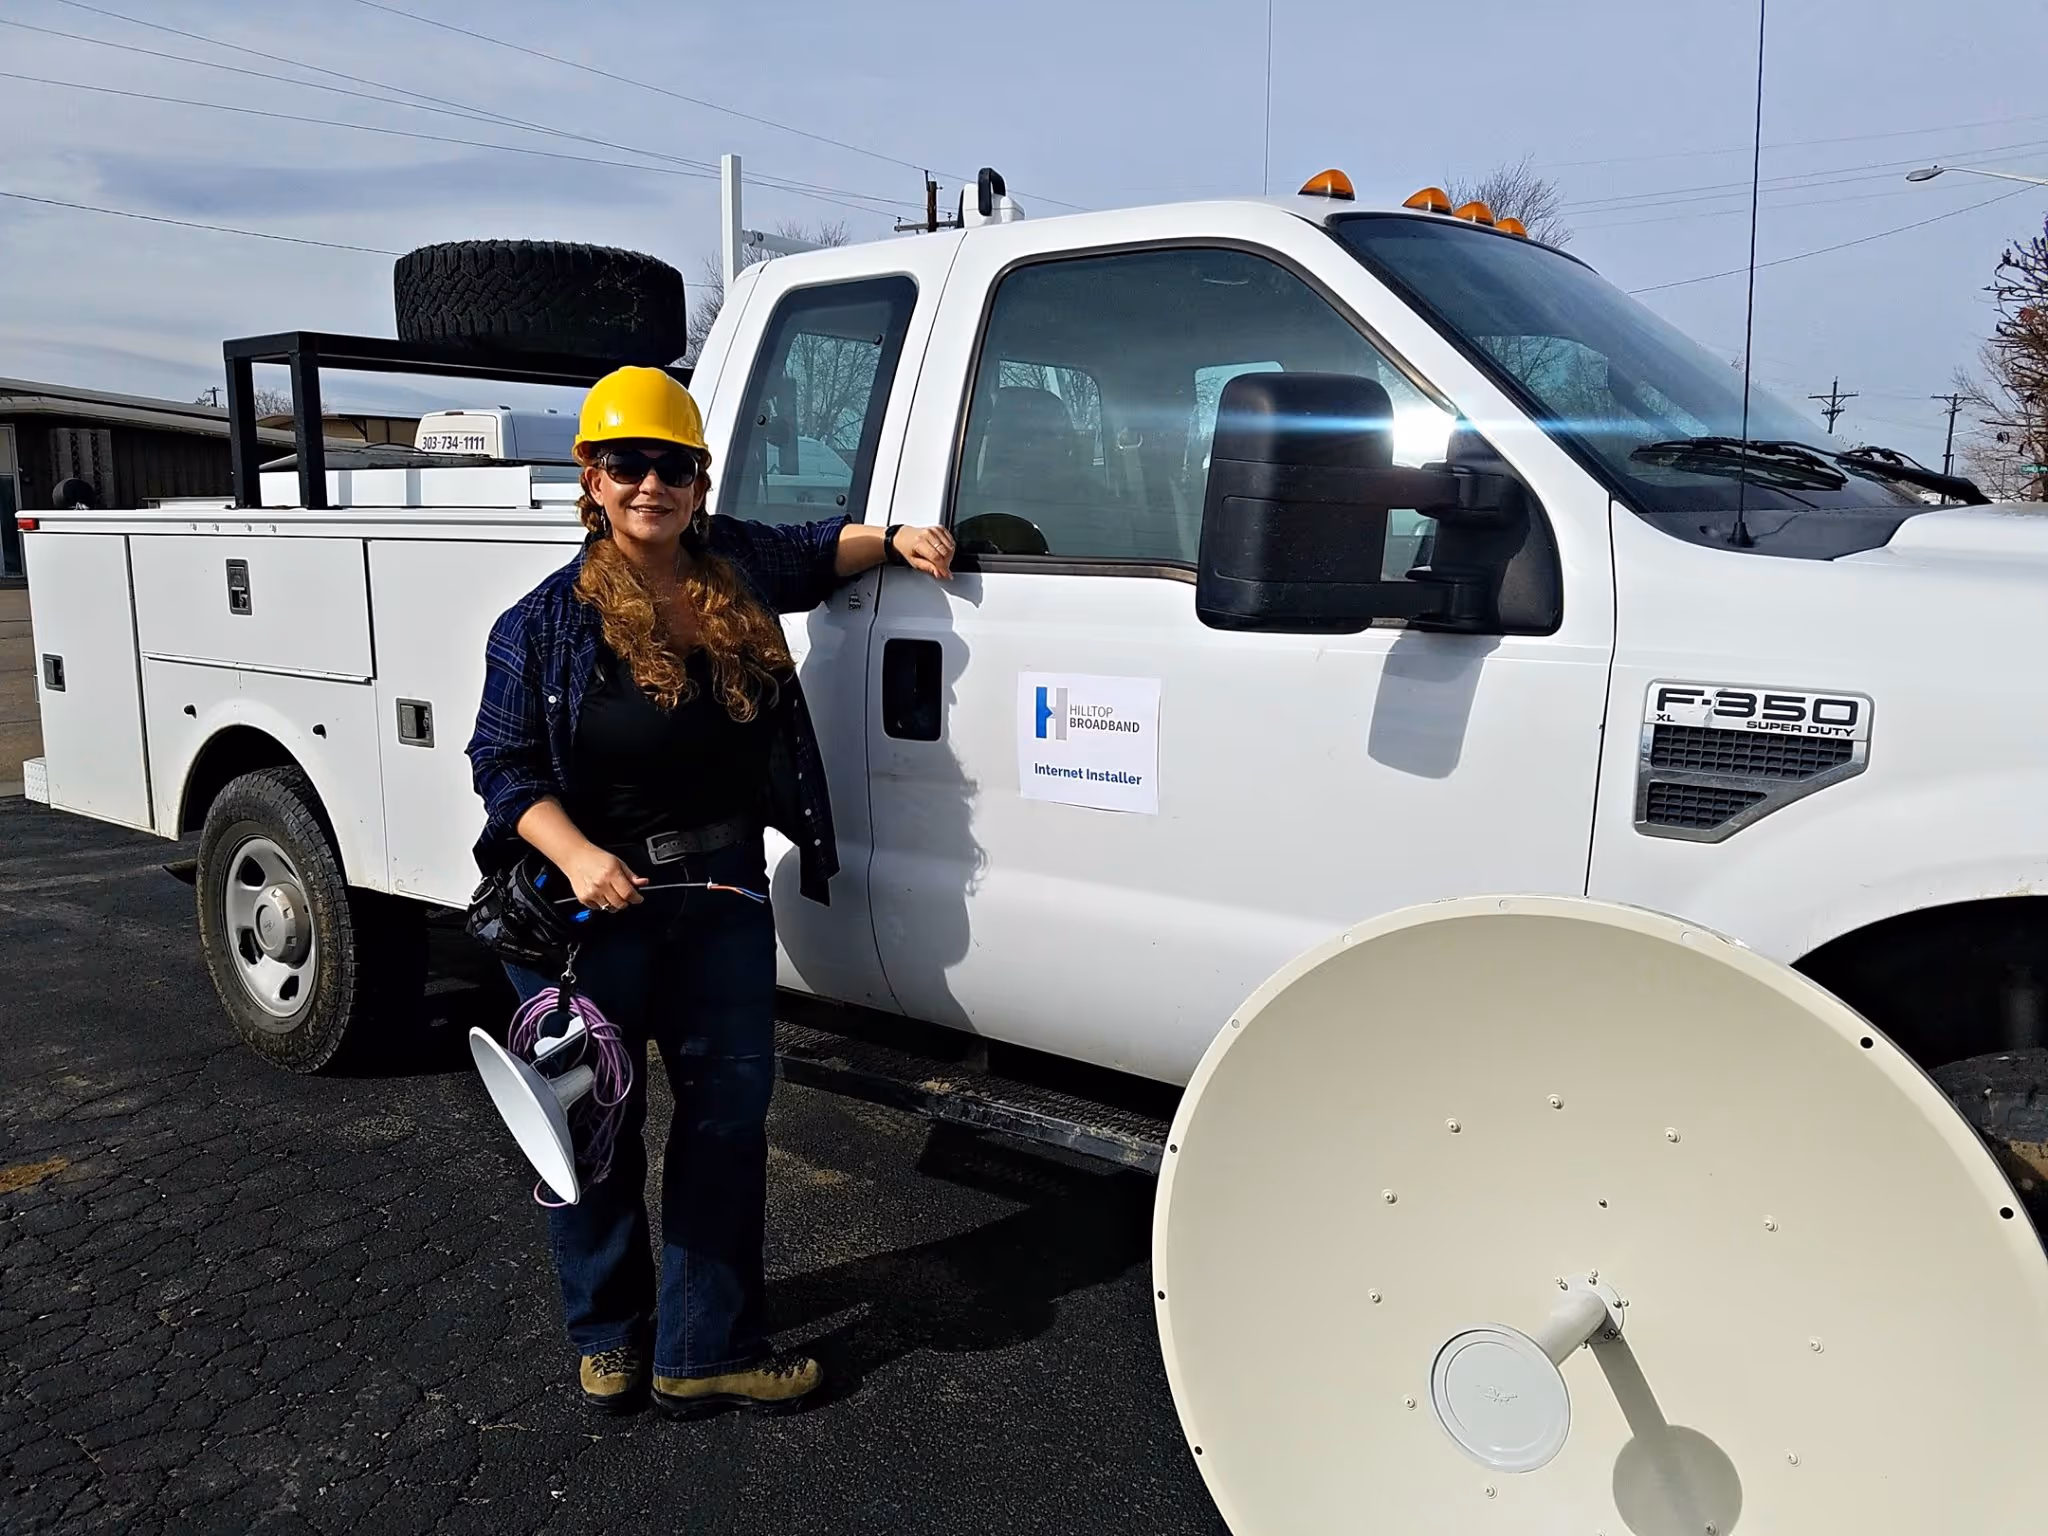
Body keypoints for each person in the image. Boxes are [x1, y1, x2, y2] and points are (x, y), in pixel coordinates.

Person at [464, 366, 954, 1416]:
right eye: (626, 465)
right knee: (591, 1133)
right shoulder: (542, 624)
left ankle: (703, 1348)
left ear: (698, 476)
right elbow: (502, 767)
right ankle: (609, 1333)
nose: (652, 485)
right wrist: (574, 853)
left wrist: (902, 534)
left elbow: (821, 548)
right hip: (594, 911)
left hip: (722, 895)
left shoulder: (731, 565)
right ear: (588, 478)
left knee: (727, 1124)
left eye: (672, 465)